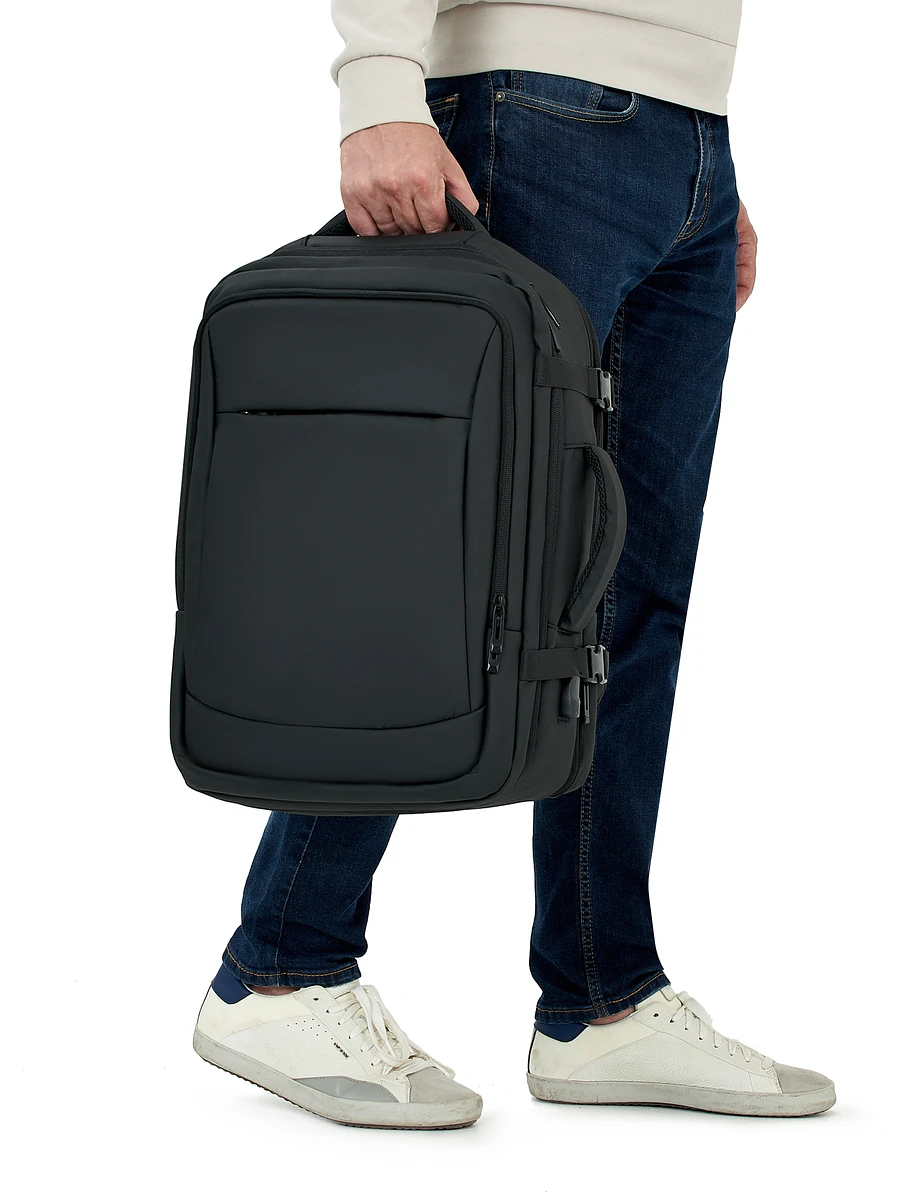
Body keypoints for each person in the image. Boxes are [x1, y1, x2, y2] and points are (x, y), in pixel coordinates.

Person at [192, 0, 835, 1127]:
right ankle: (281, 967)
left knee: (626, 590)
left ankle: (601, 999)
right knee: (455, 565)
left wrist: (691, 166)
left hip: (688, 136)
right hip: (532, 109)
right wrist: (379, 84)